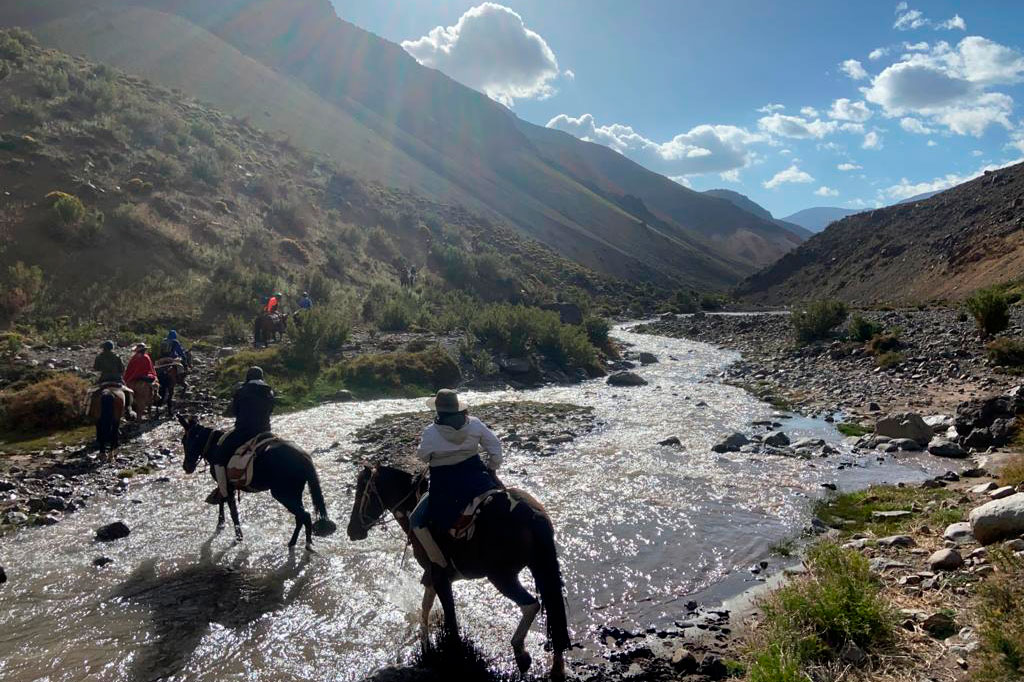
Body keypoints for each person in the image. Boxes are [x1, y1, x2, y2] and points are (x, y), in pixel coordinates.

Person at [410, 389, 503, 568]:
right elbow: (495, 447)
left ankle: (439, 564)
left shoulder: (430, 432)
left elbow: (423, 456)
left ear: (438, 410)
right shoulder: (475, 424)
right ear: (458, 407)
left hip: (445, 487)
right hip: (479, 481)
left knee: (416, 519)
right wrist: (492, 468)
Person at [208, 366, 276, 502]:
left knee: (219, 456)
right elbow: (271, 410)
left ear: (248, 377)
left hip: (244, 432)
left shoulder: (241, 391)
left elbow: (233, 412)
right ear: (261, 376)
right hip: (265, 432)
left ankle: (224, 492)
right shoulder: (269, 391)